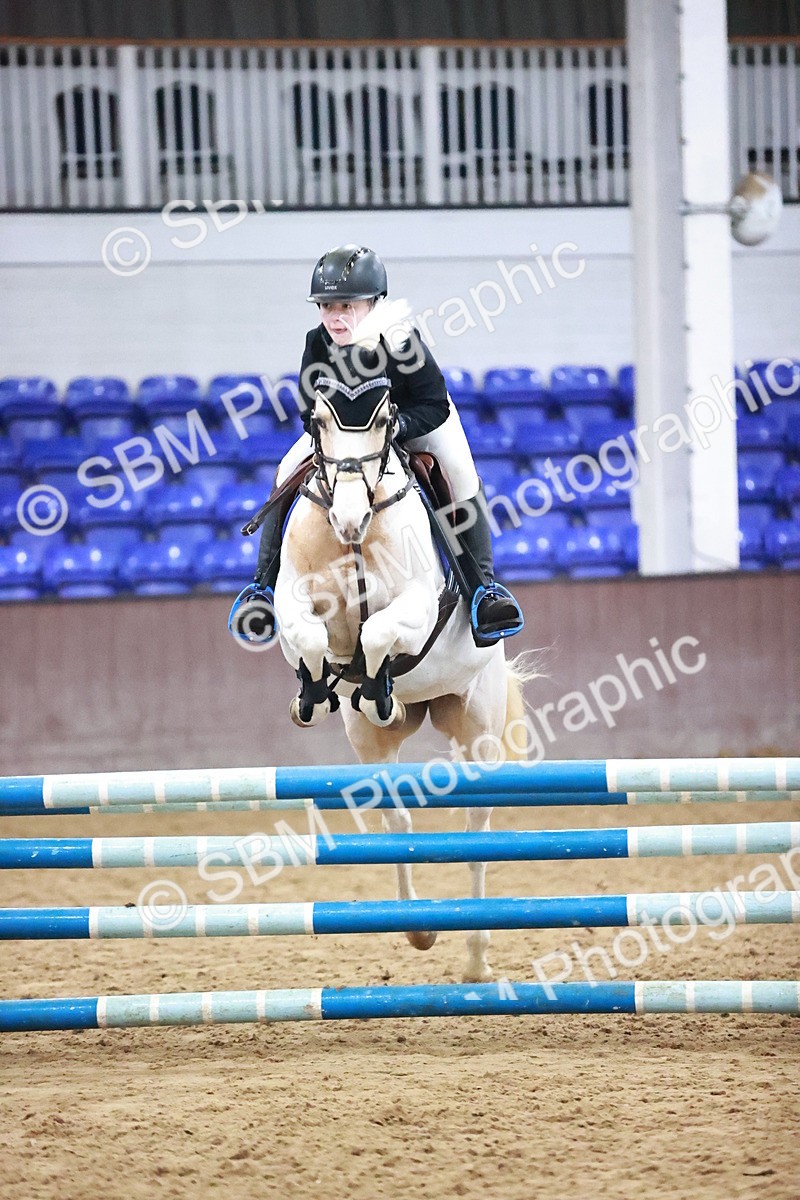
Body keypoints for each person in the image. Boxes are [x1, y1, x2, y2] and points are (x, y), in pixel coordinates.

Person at [230, 243, 524, 647]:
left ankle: (482, 590)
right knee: (286, 471)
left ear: (374, 302)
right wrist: (332, 436)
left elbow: (433, 404)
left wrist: (396, 427)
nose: (335, 316)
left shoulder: (401, 341)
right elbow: (306, 409)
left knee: (459, 470)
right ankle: (262, 589)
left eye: (346, 305)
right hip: (342, 440)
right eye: (326, 306)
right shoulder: (317, 343)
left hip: (411, 424)